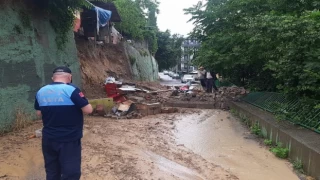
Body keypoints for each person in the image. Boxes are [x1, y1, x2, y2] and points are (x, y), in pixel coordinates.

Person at [34, 66, 93, 180]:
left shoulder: (41, 91)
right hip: (69, 139)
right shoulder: (72, 90)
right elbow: (88, 110)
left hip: (48, 138)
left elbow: (38, 113)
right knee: (71, 173)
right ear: (70, 77)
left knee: (52, 171)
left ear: (53, 78)